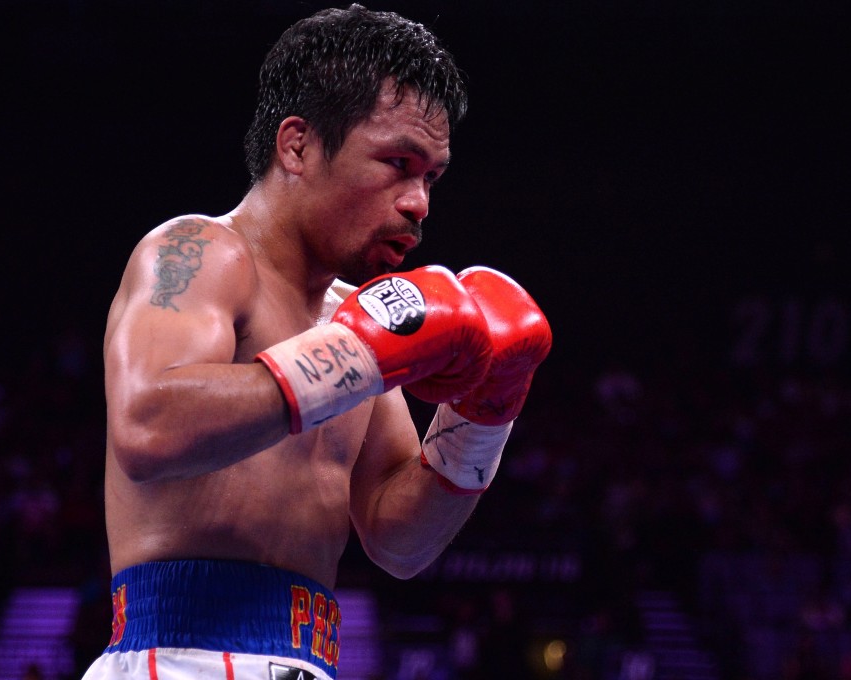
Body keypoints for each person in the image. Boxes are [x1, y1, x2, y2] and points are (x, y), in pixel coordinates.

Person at [82, 5, 552, 680]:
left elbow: (399, 542)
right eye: (397, 162)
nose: (419, 202)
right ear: (297, 145)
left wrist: (484, 415)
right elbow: (148, 426)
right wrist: (355, 354)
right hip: (181, 659)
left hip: (309, 660)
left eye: (431, 177)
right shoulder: (197, 251)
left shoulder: (353, 319)